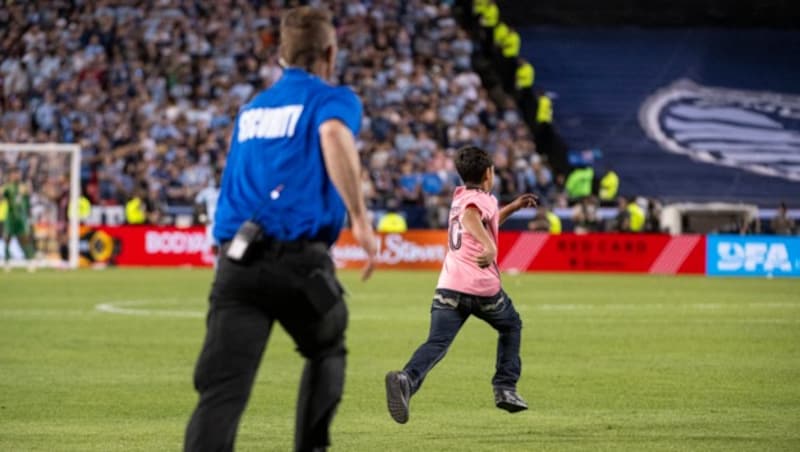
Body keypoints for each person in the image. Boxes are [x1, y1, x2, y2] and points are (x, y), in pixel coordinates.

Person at [184, 7, 378, 452]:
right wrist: (361, 220)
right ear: (329, 53)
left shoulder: (249, 112)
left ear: (281, 57)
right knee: (326, 346)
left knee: (221, 391)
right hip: (299, 265)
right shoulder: (333, 99)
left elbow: (233, 187)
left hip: (237, 263)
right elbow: (332, 136)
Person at [385, 145, 537, 424]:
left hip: (449, 287)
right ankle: (505, 387)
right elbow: (472, 218)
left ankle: (406, 379)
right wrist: (489, 245)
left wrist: (512, 208)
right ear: (489, 174)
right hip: (482, 287)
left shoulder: (459, 196)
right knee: (511, 325)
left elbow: (482, 219)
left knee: (437, 343)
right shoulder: (482, 198)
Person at [2, 168, 35, 272]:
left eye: (18, 174)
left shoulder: (23, 187)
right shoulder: (7, 188)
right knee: (7, 239)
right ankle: (7, 262)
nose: (16, 176)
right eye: (14, 174)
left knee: (24, 239)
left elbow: (29, 197)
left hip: (21, 218)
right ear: (10, 176)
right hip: (10, 218)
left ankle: (30, 261)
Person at [194, 170, 221, 256]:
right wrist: (202, 215)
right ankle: (216, 264)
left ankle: (221, 265)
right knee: (213, 246)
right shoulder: (207, 191)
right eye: (216, 177)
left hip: (222, 221)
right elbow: (198, 202)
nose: (218, 179)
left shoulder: (225, 191)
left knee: (223, 246)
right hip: (211, 222)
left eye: (219, 177)